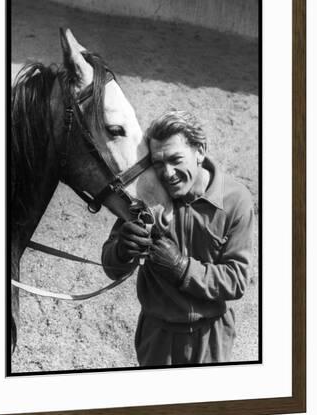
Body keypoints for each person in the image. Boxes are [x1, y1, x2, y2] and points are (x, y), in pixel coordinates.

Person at [102, 110, 254, 366]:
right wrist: (121, 250)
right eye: (158, 163)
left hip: (211, 338)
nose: (167, 173)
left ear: (201, 151)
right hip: (157, 337)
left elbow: (237, 280)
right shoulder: (146, 193)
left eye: (175, 159)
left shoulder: (235, 200)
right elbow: (111, 268)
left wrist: (182, 269)